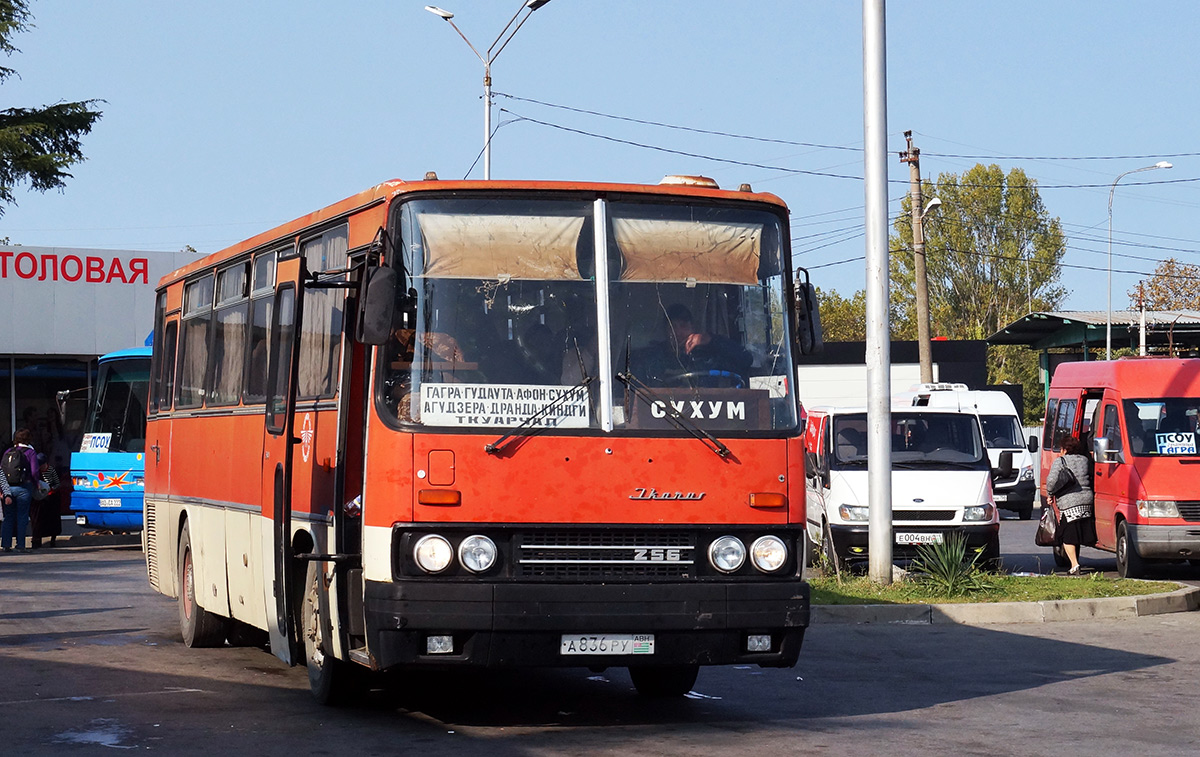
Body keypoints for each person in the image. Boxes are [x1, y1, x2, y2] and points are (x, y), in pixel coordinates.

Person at [636, 303, 752, 387]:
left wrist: (711, 340)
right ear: (665, 331)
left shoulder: (708, 355)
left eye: (683, 326)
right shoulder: (654, 356)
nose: (678, 332)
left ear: (693, 328)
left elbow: (746, 360)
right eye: (673, 327)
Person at [1045, 435, 1096, 575]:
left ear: (1064, 449)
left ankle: (1074, 565)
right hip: (1086, 500)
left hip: (1069, 503)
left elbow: (1051, 482)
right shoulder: (1085, 460)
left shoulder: (1060, 461)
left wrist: (1050, 494)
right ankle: (1076, 561)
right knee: (1078, 532)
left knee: (1067, 536)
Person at [1, 428, 39, 553]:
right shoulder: (30, 452)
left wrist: (2, 489)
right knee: (22, 516)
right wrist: (36, 483)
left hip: (8, 488)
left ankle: (6, 544)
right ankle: (20, 545)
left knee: (9, 516)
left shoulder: (8, 452)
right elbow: (34, 471)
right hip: (24, 487)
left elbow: (1, 471)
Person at [30, 453, 63, 549]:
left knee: (53, 519)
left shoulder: (51, 470)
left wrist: (50, 490)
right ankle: (37, 539)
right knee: (38, 519)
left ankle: (53, 539)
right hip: (39, 498)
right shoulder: (36, 471)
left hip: (51, 497)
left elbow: (57, 484)